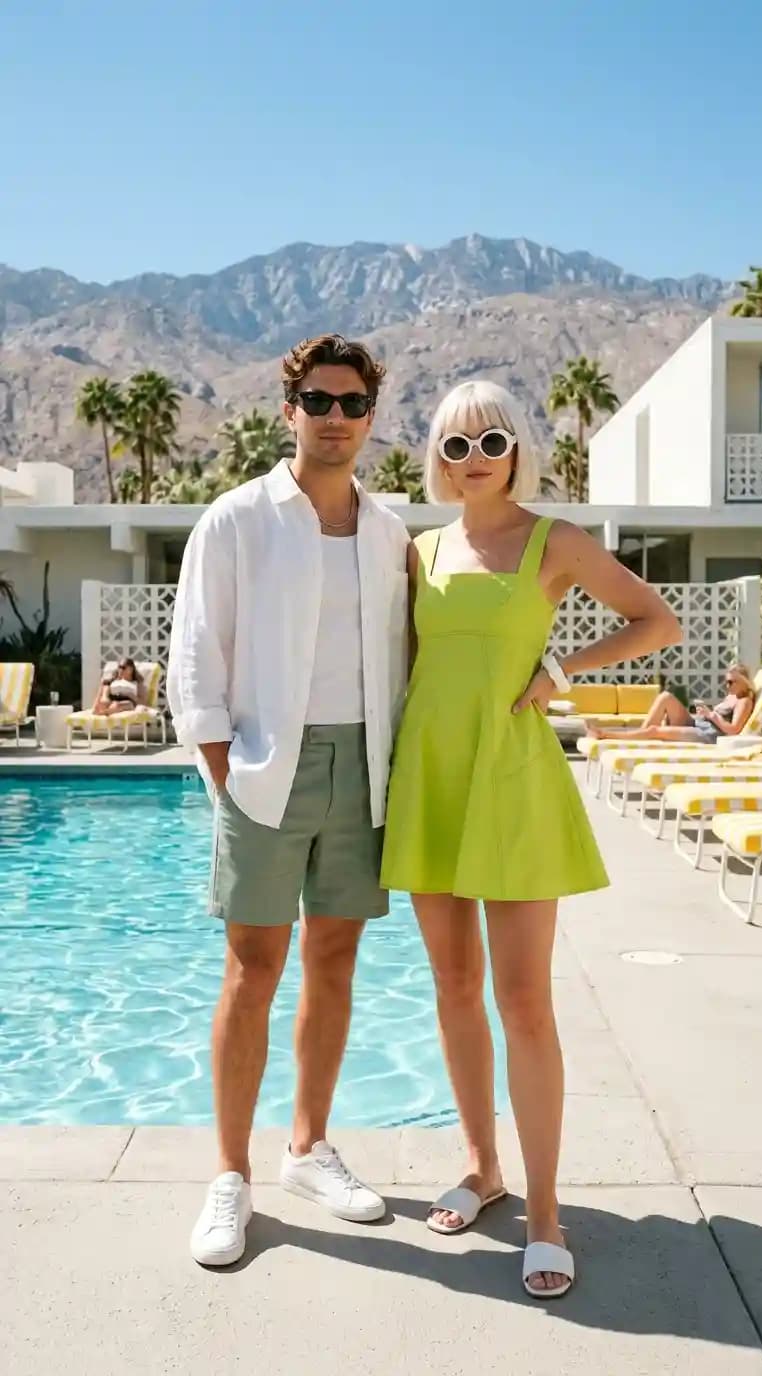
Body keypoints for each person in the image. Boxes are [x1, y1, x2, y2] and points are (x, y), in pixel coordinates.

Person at [380, 380, 681, 1299]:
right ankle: (483, 1169)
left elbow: (657, 621)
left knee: (524, 1003)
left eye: (491, 442)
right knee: (454, 988)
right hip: (432, 780)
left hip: (512, 781)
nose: (474, 460)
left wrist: (560, 670)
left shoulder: (557, 542)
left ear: (518, 450)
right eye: (455, 445)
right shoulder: (419, 552)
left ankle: (544, 1211)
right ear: (437, 457)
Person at [167, 334, 410, 1267]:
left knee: (335, 961)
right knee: (252, 970)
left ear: (371, 418)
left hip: (364, 767)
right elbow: (198, 654)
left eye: (352, 403)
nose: (335, 418)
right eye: (318, 401)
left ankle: (308, 1149)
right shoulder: (236, 520)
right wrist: (227, 770)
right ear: (289, 410)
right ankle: (230, 1175)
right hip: (266, 765)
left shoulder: (388, 533)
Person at [586, 663, 755, 743]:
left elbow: (733, 730)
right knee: (666, 697)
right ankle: (638, 737)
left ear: (743, 682)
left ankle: (605, 735)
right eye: (726, 682)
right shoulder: (732, 696)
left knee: (654, 730)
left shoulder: (744, 701)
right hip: (699, 723)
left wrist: (711, 715)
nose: (727, 686)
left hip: (708, 735)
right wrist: (705, 714)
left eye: (731, 682)